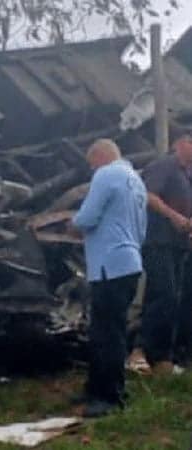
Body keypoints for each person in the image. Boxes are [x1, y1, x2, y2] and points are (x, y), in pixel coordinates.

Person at [71, 139, 147, 418]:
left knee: (107, 333)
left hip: (109, 265)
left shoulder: (106, 174)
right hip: (129, 261)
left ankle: (109, 398)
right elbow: (142, 228)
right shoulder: (136, 181)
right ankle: (98, 387)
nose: (92, 170)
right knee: (110, 329)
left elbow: (87, 217)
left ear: (100, 157)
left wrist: (73, 223)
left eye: (91, 164)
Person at [135, 135, 192, 373]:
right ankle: (156, 354)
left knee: (174, 297)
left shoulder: (186, 174)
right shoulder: (164, 165)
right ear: (178, 144)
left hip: (179, 244)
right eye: (190, 142)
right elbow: (148, 196)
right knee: (164, 295)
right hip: (159, 241)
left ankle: (167, 353)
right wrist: (175, 217)